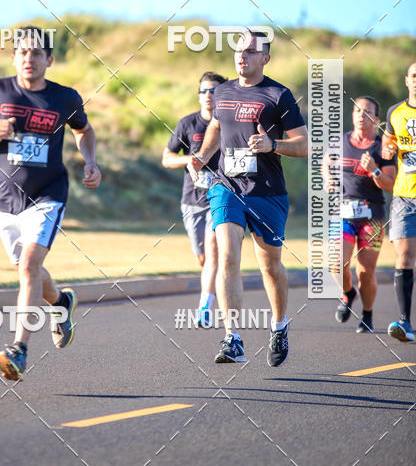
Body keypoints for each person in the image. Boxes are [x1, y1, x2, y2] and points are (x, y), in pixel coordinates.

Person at [0, 27, 101, 380]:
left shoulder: (65, 98)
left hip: (48, 194)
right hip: (4, 200)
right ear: (13, 57)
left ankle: (18, 349)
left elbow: (84, 131)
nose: (29, 58)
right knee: (30, 271)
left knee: (28, 267)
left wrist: (91, 161)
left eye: (37, 53)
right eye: (22, 52)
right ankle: (61, 303)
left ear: (49, 60)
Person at [190, 31, 308, 366]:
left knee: (269, 266)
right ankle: (233, 339)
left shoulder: (278, 95)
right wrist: (201, 155)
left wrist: (274, 146)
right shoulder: (223, 90)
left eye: (251, 51)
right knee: (227, 255)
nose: (242, 55)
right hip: (227, 187)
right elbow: (215, 126)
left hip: (267, 192)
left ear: (265, 58)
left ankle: (279, 325)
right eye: (239, 50)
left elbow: (303, 145)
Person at [323, 97, 395, 333]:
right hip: (342, 212)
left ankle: (367, 314)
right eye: (357, 110)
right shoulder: (340, 140)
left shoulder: (381, 148)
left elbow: (390, 183)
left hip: (372, 216)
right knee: (336, 263)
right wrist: (328, 179)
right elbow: (327, 162)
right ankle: (347, 293)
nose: (361, 115)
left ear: (376, 118)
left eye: (367, 112)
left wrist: (374, 169)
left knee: (365, 271)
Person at [162, 72, 227, 326]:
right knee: (203, 258)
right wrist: (187, 159)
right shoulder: (187, 124)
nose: (208, 96)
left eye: (213, 91)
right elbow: (166, 157)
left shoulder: (230, 124)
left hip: (221, 196)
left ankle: (204, 307)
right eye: (204, 91)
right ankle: (215, 285)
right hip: (192, 199)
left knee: (213, 249)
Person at [382, 62, 416, 342]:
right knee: (404, 255)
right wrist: (388, 147)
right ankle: (405, 322)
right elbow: (386, 144)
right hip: (404, 195)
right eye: (414, 76)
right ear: (407, 80)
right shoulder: (395, 112)